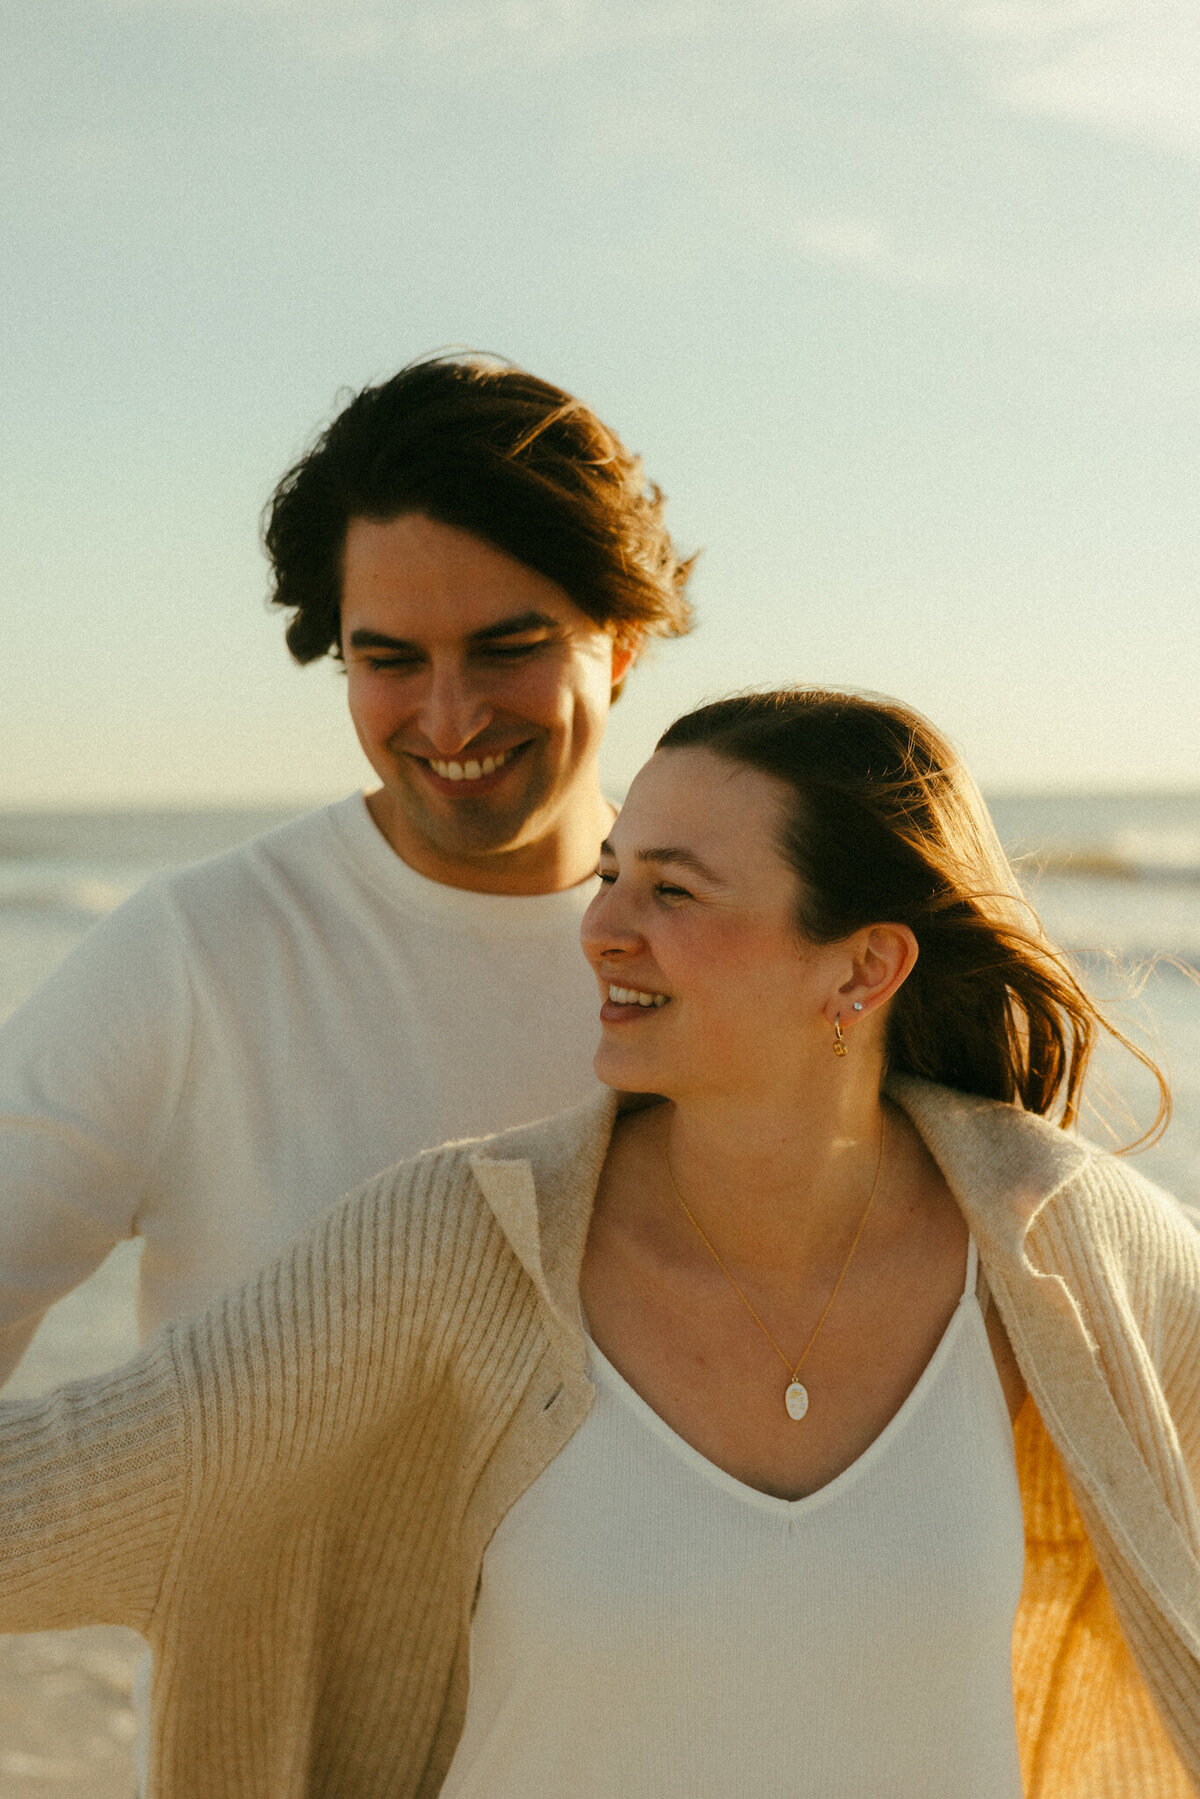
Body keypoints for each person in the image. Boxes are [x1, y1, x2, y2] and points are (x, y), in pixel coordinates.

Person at [3, 688, 1199, 1798]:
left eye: (673, 891)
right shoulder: (462, 1241)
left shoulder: (1066, 1247)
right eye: (612, 873)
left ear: (864, 966)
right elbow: (63, 1498)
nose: (601, 928)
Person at [0, 351, 693, 1386]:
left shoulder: (732, 941)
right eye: (392, 660)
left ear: (624, 640)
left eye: (508, 648)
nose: (450, 717)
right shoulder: (196, 956)